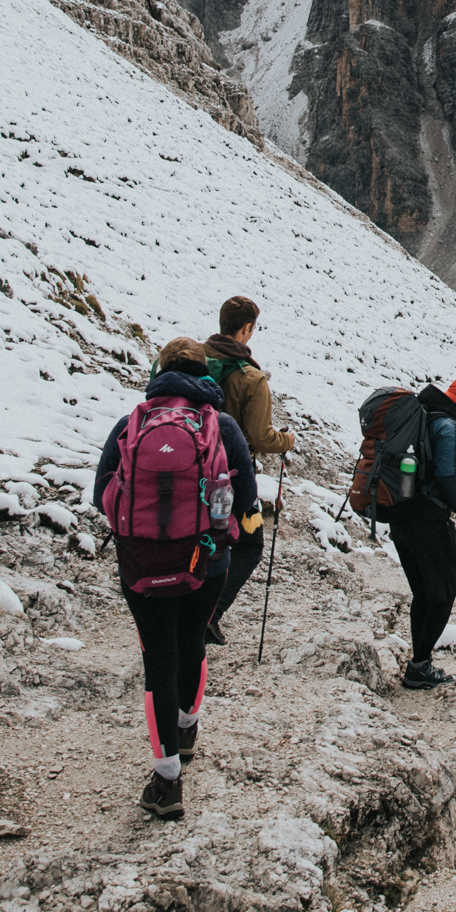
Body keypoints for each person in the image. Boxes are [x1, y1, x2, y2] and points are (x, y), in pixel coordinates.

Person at [93, 338, 259, 821]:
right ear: (204, 373)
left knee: (157, 659)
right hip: (205, 563)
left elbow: (101, 493)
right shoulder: (223, 427)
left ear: (159, 371)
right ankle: (186, 729)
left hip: (142, 563)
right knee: (192, 642)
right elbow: (245, 502)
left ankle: (167, 781)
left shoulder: (132, 424)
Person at [202, 295, 294, 645]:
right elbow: (260, 436)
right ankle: (208, 613)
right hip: (230, 476)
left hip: (185, 467)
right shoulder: (250, 378)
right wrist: (286, 441)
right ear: (246, 329)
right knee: (247, 544)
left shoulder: (192, 360)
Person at [392, 373, 456, 691]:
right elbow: (447, 477)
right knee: (445, 591)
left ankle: (419, 662)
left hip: (400, 517)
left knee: (424, 592)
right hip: (428, 520)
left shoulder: (421, 416)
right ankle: (419, 666)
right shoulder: (448, 427)